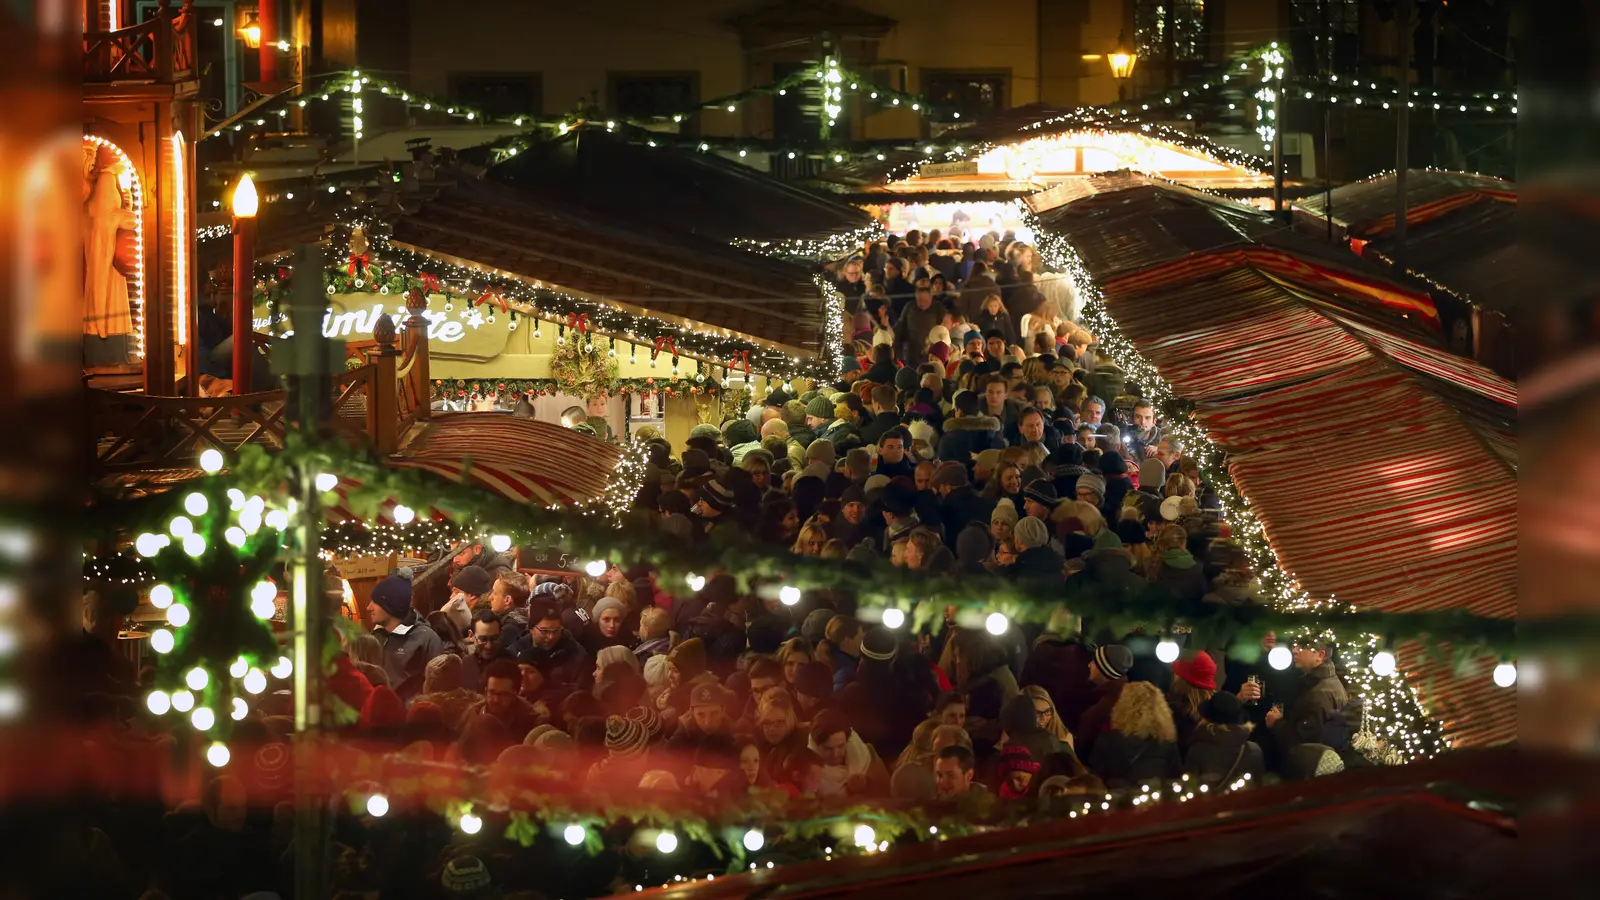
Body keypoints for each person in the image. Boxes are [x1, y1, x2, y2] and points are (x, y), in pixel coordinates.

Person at [1086, 681, 1182, 788]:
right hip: (1156, 800)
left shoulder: (1108, 740)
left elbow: (1096, 776)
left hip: (1119, 800)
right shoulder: (1166, 744)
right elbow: (1175, 779)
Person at [1265, 640, 1351, 756]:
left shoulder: (1320, 693)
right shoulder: (1327, 682)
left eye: (1303, 647)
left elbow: (1304, 745)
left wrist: (1276, 723)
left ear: (1320, 655)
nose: (1294, 650)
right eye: (1295, 646)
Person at [367, 573, 444, 702]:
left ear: (391, 604)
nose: (368, 607)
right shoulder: (375, 636)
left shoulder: (426, 639)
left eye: (375, 602)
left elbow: (437, 688)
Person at [511, 599, 593, 694]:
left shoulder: (576, 654)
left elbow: (581, 693)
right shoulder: (515, 650)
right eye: (544, 631)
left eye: (556, 630)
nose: (551, 637)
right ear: (531, 628)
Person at [1073, 644, 1132, 758]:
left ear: (1105, 670)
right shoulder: (1129, 697)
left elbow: (1083, 753)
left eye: (1094, 662)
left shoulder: (1098, 711)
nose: (1089, 665)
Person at [460, 608, 510, 693]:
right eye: (483, 639)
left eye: (494, 639)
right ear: (471, 635)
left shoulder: (512, 665)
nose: (489, 646)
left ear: (501, 634)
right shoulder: (465, 666)